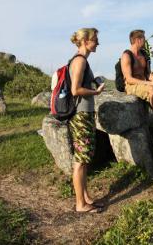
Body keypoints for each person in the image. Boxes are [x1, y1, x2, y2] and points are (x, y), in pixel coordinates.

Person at [69, 28, 105, 213]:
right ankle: (80, 204)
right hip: (81, 114)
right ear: (85, 41)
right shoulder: (80, 61)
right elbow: (75, 90)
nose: (97, 42)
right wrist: (96, 92)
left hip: (85, 113)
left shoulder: (82, 61)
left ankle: (86, 197)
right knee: (80, 161)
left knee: (83, 159)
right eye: (95, 39)